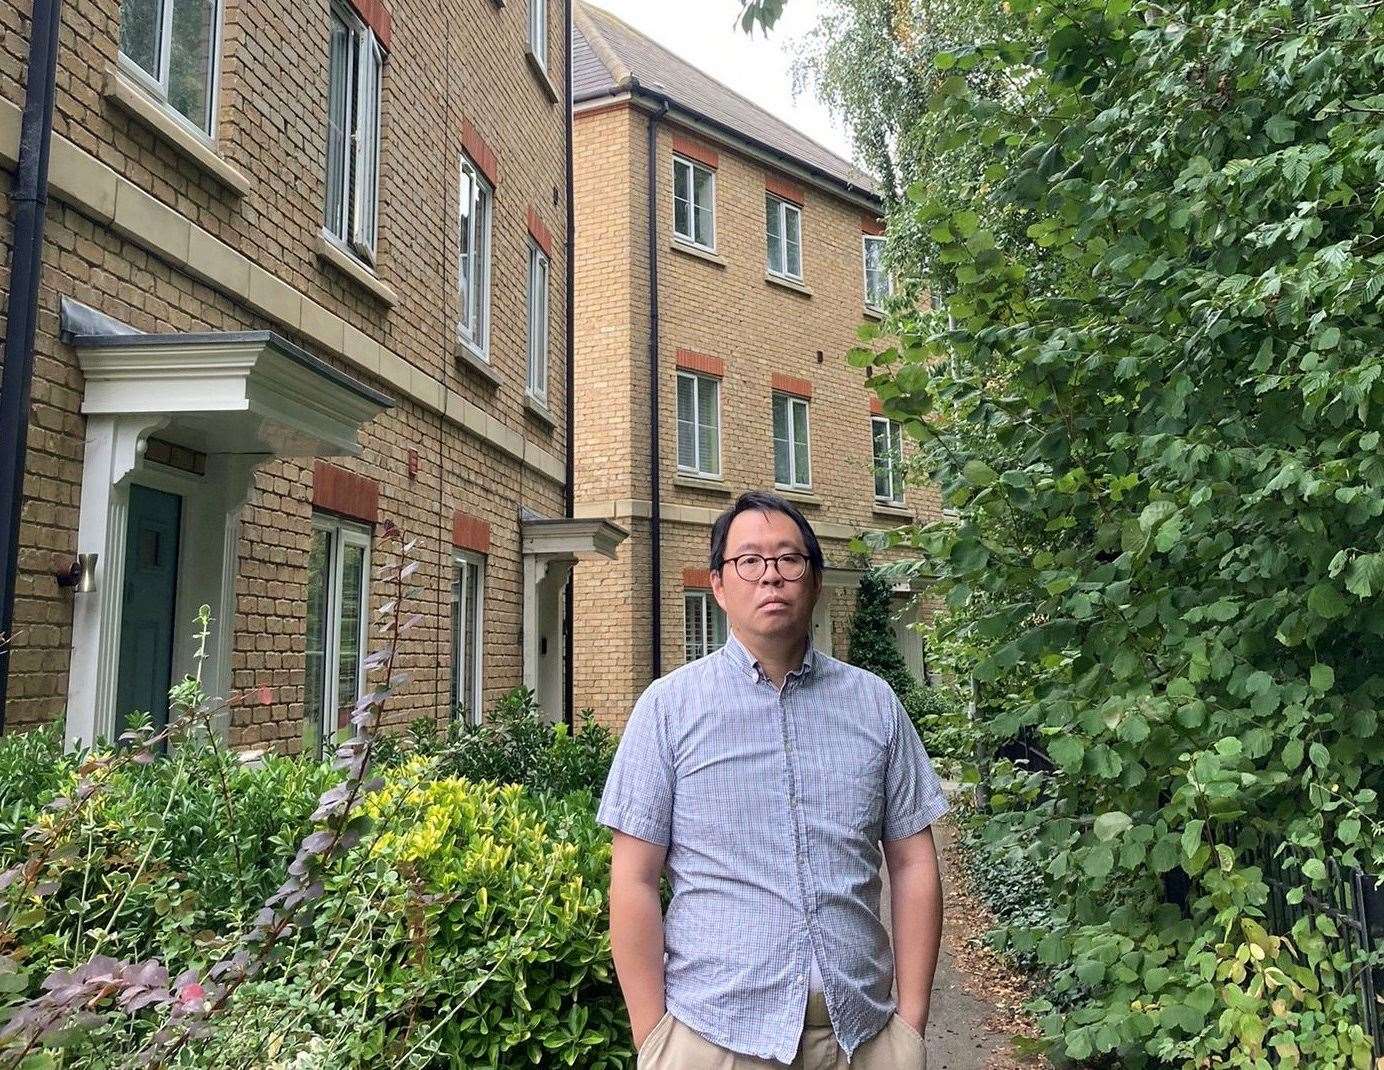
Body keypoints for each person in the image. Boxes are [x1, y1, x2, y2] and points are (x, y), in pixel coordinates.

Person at [597, 491, 948, 1069]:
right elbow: (633, 878)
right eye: (749, 561)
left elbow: (912, 862)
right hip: (714, 1039)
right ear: (718, 584)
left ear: (813, 579)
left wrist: (910, 1025)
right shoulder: (668, 709)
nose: (771, 577)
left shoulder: (874, 704)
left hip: (861, 1037)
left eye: (789, 560)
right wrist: (654, 1039)